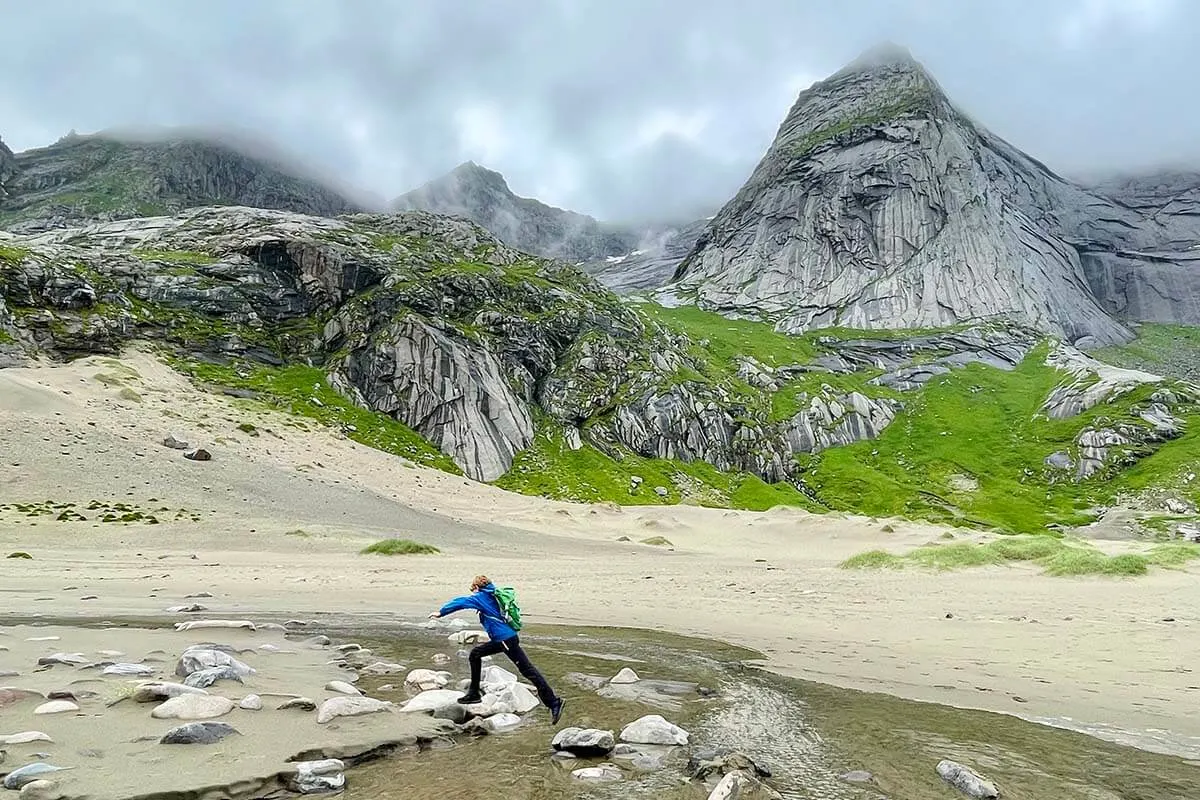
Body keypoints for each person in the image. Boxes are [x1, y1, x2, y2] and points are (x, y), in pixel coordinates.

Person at [430, 574, 565, 725]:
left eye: (472, 589)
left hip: (504, 640)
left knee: (523, 669)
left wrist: (441, 612)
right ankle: (474, 693)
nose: (472, 592)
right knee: (522, 669)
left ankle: (554, 702)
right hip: (507, 638)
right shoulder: (494, 593)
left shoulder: (480, 597)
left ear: (476, 587)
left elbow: (460, 602)